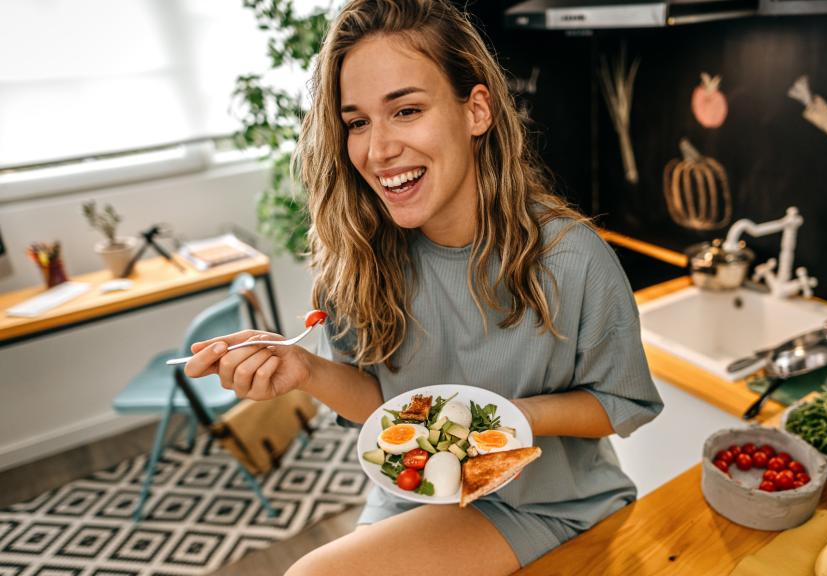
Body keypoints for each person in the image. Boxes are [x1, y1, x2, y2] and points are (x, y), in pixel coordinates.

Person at [184, 0, 663, 574]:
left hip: (542, 504)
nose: (378, 150)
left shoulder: (572, 259)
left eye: (406, 110)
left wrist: (498, 417)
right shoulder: (359, 254)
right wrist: (305, 373)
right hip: (409, 495)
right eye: (357, 121)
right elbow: (382, 407)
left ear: (476, 110)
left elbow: (621, 404)